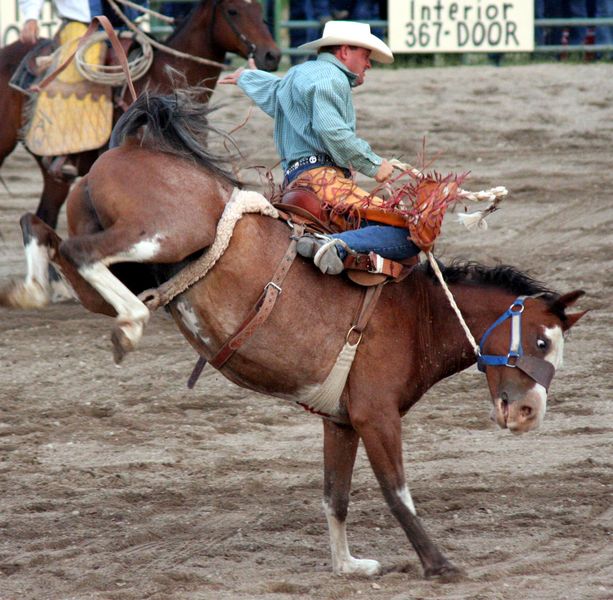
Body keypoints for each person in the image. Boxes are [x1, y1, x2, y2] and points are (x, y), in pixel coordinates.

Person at [220, 20, 420, 275]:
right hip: (322, 181)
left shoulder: (297, 73)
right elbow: (331, 130)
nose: (369, 63)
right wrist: (373, 164)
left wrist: (247, 77)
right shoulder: (331, 78)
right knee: (411, 233)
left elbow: (274, 94)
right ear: (345, 51)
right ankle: (334, 245)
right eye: (366, 55)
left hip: (294, 180)